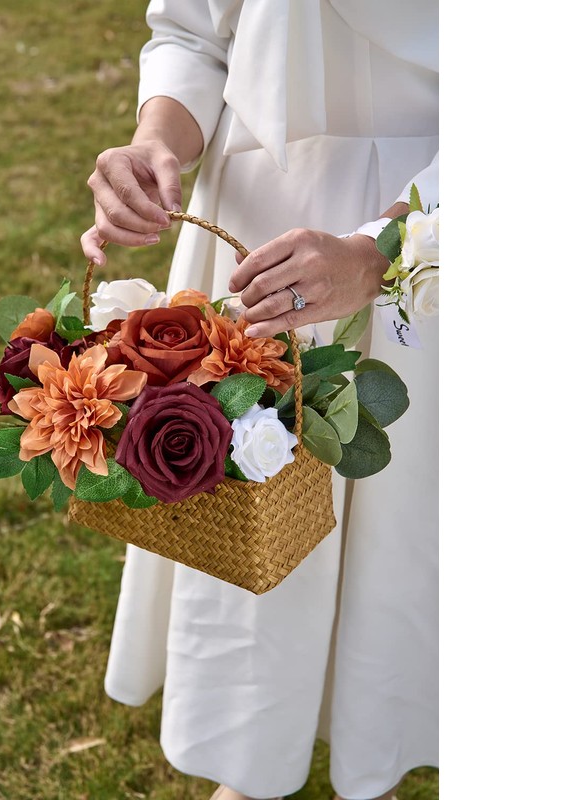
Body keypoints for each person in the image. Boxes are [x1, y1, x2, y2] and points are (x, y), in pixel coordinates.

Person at [80, 2, 438, 799]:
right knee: (247, 517)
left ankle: (378, 746)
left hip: (427, 217)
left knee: (406, 520)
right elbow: (194, 32)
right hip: (253, 218)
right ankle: (248, 762)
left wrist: (385, 249)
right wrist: (155, 142)